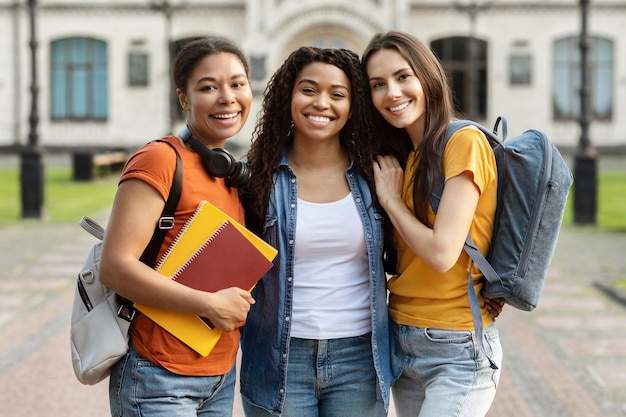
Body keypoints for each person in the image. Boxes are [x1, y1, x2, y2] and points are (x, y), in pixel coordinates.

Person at [238, 46, 400, 417]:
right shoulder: (254, 177)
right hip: (279, 357)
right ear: (287, 96)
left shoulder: (376, 175)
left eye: (337, 94)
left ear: (353, 104)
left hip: (359, 358)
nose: (321, 103)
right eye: (308, 90)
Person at [99, 37, 255, 417]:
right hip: (158, 376)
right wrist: (209, 304)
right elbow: (115, 267)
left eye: (237, 84)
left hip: (219, 376)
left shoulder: (229, 171)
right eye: (208, 87)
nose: (227, 97)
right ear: (183, 98)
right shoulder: (160, 159)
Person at [362, 30, 504, 417]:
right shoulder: (405, 157)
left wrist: (391, 201)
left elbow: (442, 254)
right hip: (402, 338)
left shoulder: (463, 141)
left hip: (456, 347)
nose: (392, 92)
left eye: (403, 76)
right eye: (378, 84)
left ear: (427, 76)